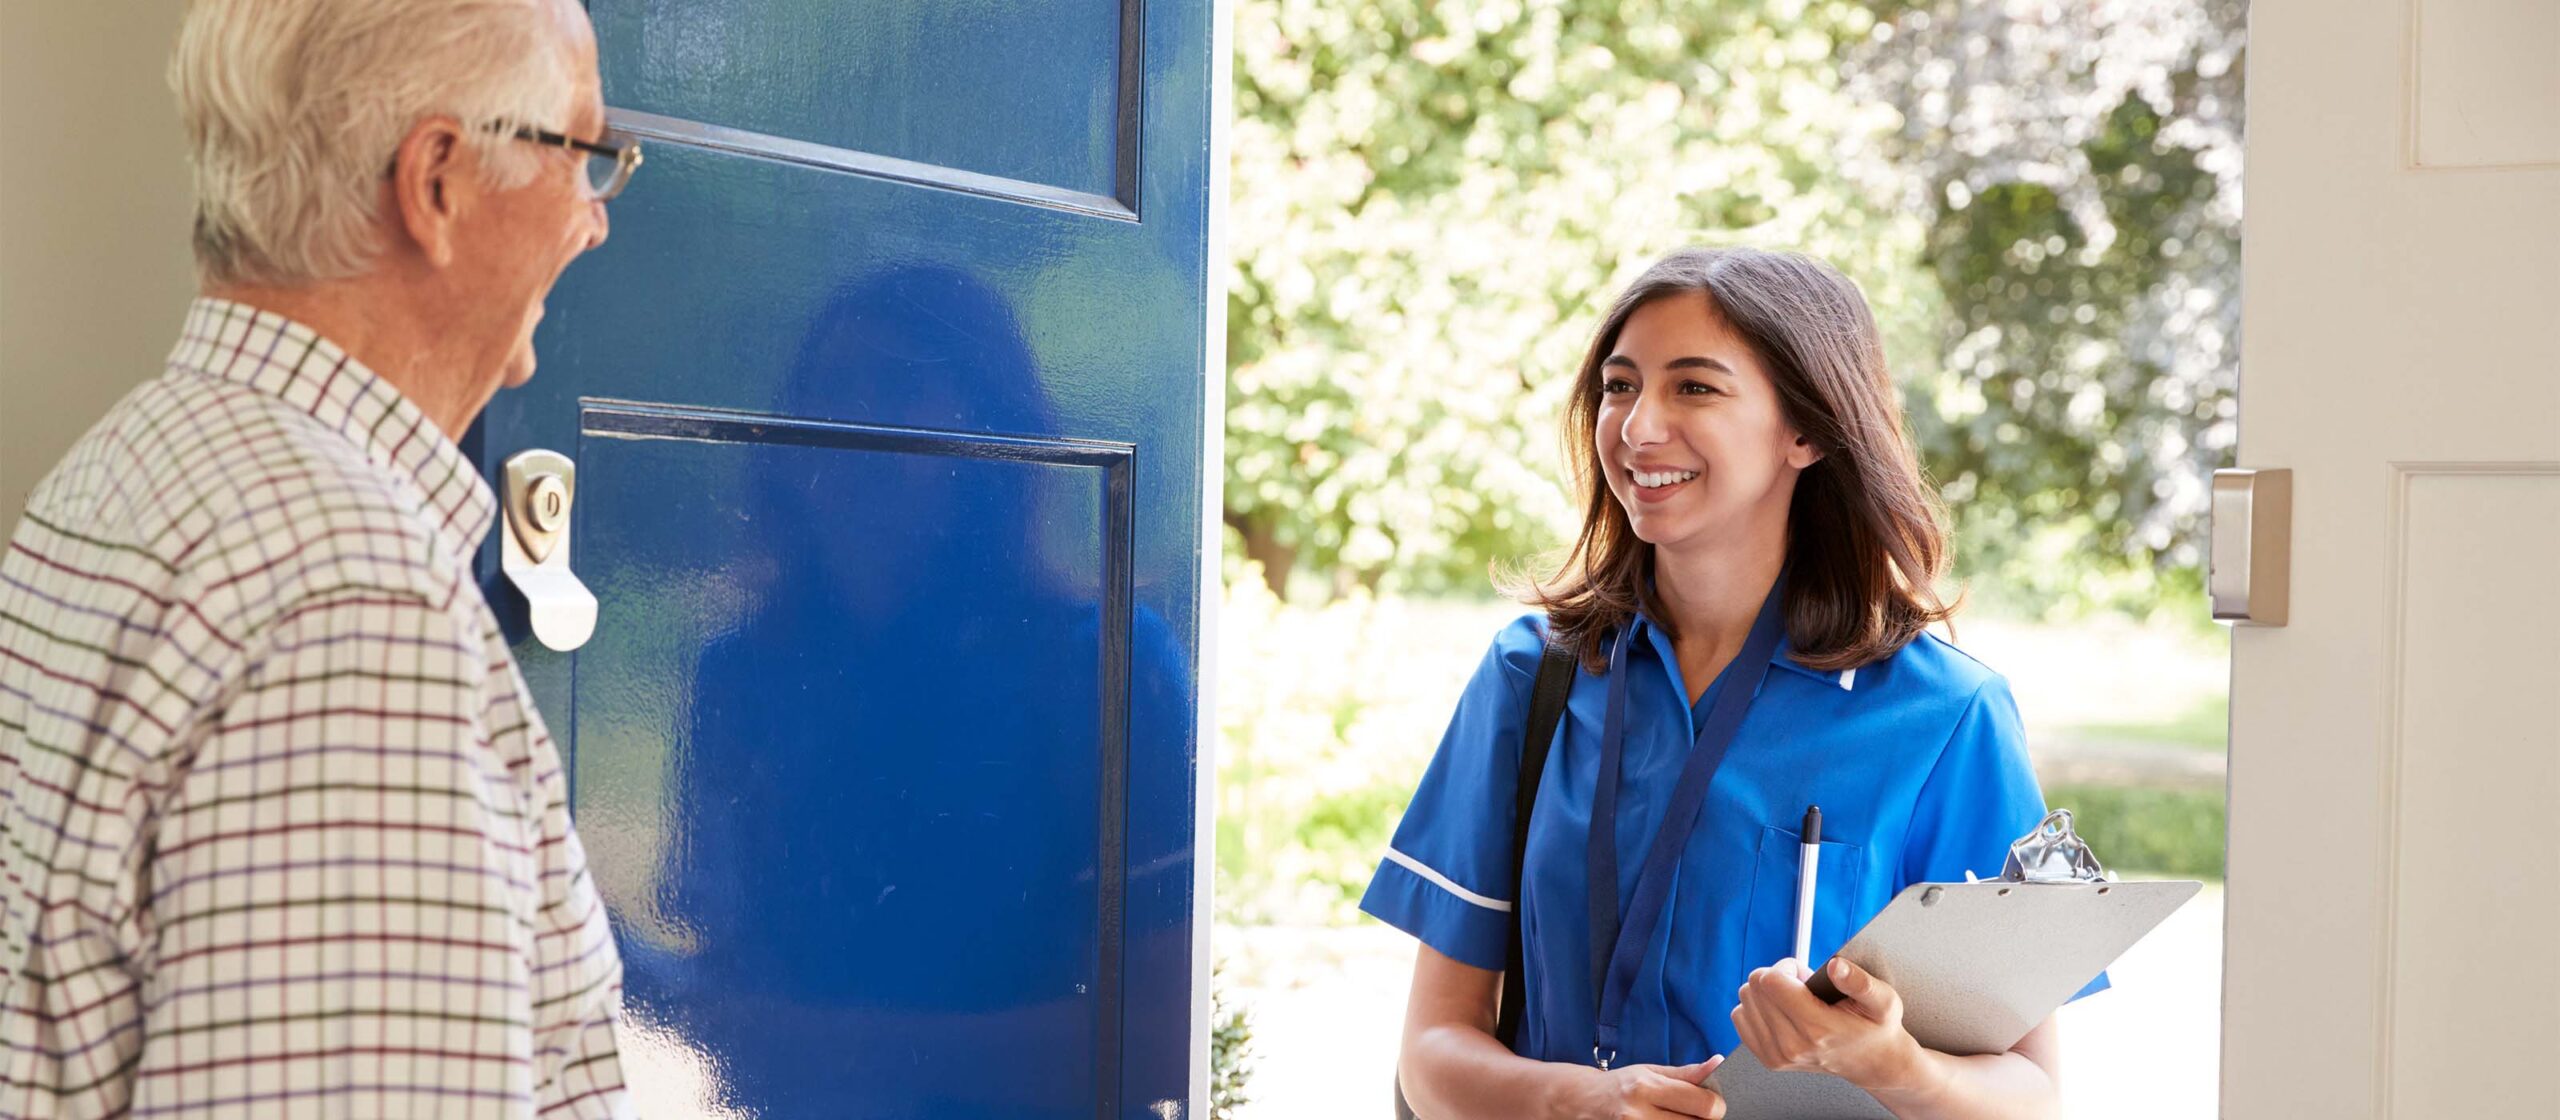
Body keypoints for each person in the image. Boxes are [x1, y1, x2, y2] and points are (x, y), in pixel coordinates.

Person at [0, 1, 638, 1114]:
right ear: (437, 181)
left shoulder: (123, 466)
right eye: (584, 156)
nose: (594, 223)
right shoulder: (355, 601)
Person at [1365, 247, 2102, 1120]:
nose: (1638, 428)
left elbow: (2032, 1094)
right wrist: (1581, 1103)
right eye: (1620, 385)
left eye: (1695, 388)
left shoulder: (1946, 717)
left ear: (1809, 431)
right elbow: (1433, 1051)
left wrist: (1895, 1066)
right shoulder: (1531, 676)